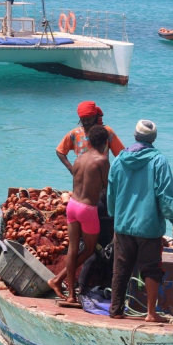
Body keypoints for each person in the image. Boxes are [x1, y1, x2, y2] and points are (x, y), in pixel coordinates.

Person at [107, 120, 173, 322]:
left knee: (121, 268)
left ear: (135, 136)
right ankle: (151, 313)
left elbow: (111, 191)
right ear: (154, 138)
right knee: (151, 268)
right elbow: (166, 194)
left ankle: (116, 310)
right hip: (148, 226)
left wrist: (114, 215)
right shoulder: (159, 161)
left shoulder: (119, 160)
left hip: (123, 224)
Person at [48, 125, 111, 303]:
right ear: (106, 143)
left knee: (73, 250)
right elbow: (108, 188)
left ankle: (70, 295)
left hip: (72, 205)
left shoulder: (79, 159)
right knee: (90, 249)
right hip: (87, 209)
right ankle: (58, 280)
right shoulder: (102, 160)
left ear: (89, 141)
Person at [56, 101, 124, 175]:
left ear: (94, 117)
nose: (86, 123)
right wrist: (71, 169)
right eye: (83, 120)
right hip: (81, 176)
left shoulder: (106, 132)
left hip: (101, 175)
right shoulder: (75, 134)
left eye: (88, 120)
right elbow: (60, 151)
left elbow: (121, 154)